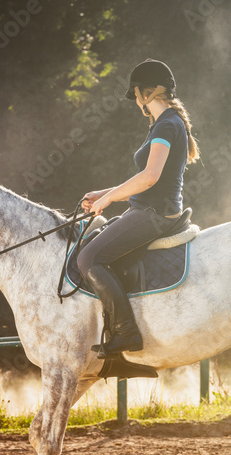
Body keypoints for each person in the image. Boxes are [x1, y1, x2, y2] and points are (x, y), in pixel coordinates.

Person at [78, 58, 200, 358]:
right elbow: (146, 179)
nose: (135, 102)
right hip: (149, 210)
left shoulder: (166, 125)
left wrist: (108, 201)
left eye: (135, 94)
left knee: (88, 259)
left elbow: (149, 177)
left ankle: (126, 332)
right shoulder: (167, 123)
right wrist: (104, 193)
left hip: (154, 214)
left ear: (146, 94)